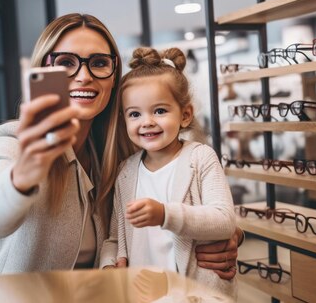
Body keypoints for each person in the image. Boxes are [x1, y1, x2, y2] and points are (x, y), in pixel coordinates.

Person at [0, 13, 242, 275]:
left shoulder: (121, 158)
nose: (84, 76)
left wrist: (230, 237)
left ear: (114, 78)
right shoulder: (12, 141)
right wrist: (23, 175)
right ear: (44, 69)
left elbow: (177, 202)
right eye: (65, 62)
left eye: (99, 63)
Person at [100, 47, 237, 299]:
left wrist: (164, 214)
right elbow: (114, 238)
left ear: (185, 115)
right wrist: (109, 264)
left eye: (160, 111)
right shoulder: (126, 172)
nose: (147, 121)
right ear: (124, 120)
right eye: (135, 114)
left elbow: (224, 220)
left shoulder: (200, 158)